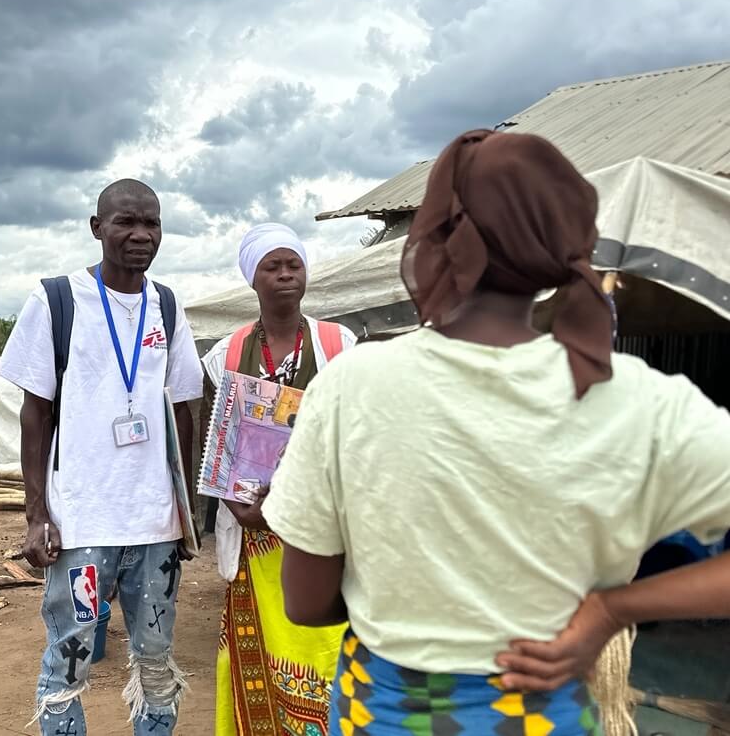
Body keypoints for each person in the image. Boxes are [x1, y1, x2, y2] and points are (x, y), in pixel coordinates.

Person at [262, 131, 730, 735]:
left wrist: (404, 585)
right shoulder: (640, 400)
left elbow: (306, 604)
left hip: (385, 715)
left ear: (438, 239)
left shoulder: (352, 386)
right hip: (547, 716)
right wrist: (611, 608)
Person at [0, 179, 203, 736]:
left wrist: (185, 512)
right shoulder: (57, 300)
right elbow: (36, 414)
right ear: (97, 227)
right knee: (69, 659)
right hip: (81, 523)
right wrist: (37, 514)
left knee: (156, 661)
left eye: (151, 223)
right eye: (125, 222)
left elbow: (183, 409)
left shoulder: (166, 305)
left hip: (154, 526)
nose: (141, 235)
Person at [200, 222, 357, 736]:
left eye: (294, 264)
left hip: (321, 526)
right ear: (253, 278)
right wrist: (237, 507)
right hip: (253, 532)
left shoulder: (338, 343)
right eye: (272, 266)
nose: (286, 274)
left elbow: (355, 429)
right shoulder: (225, 353)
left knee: (326, 648)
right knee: (261, 654)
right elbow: (218, 441)